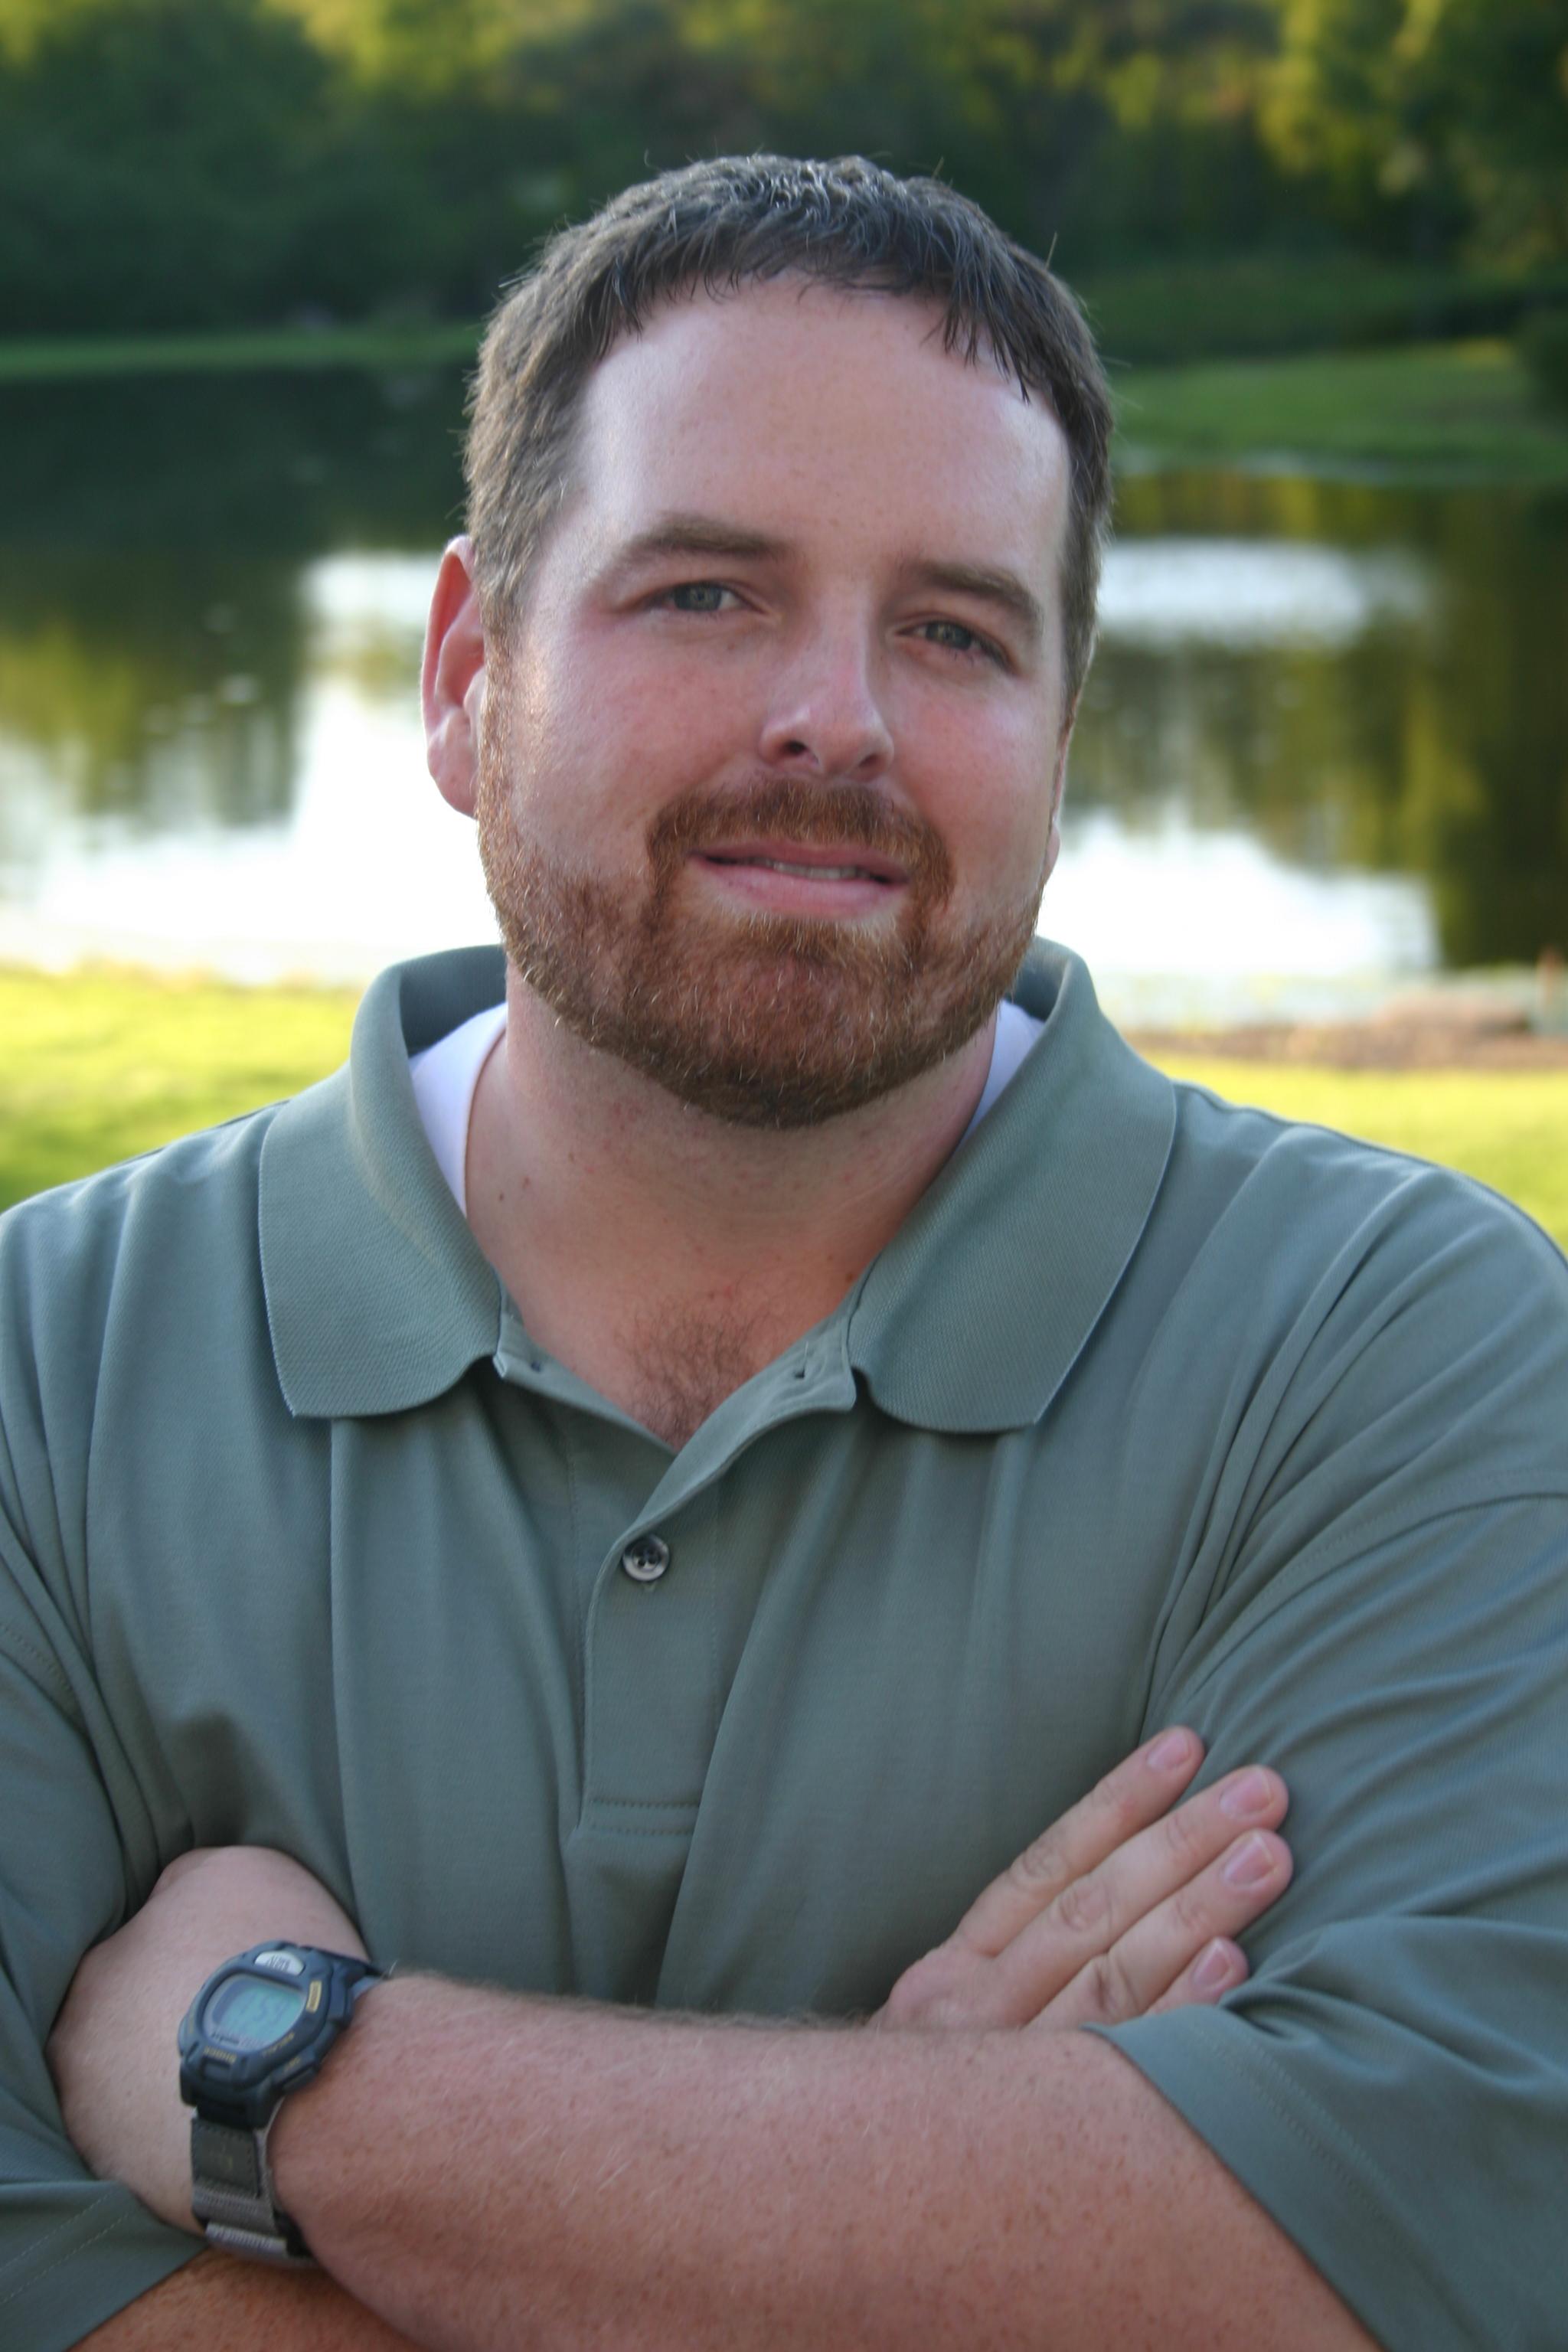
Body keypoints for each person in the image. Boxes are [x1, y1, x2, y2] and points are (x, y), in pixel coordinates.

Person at [5, 155, 1566, 2352]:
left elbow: (1454, 2241)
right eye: (708, 594)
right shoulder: (45, 1367)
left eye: (956, 631)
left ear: (1060, 734)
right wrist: (951, 2223)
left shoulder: (1402, 1349)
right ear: (466, 676)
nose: (840, 718)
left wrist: (292, 2075)